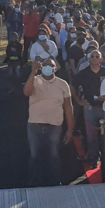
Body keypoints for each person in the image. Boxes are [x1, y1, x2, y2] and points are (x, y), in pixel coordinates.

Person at [24, 58, 73, 187]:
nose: (47, 67)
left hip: (54, 126)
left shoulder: (63, 84)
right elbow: (26, 92)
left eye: (50, 65)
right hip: (34, 124)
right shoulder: (34, 80)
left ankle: (55, 181)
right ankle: (33, 182)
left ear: (55, 69)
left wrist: (70, 129)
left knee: (53, 155)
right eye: (44, 65)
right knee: (34, 155)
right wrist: (33, 72)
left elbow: (68, 107)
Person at [72, 49, 105, 169]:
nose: (94, 58)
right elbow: (72, 86)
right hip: (90, 108)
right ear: (88, 59)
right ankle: (94, 158)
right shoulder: (83, 73)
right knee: (91, 136)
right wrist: (79, 101)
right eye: (92, 56)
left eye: (96, 56)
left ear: (101, 59)